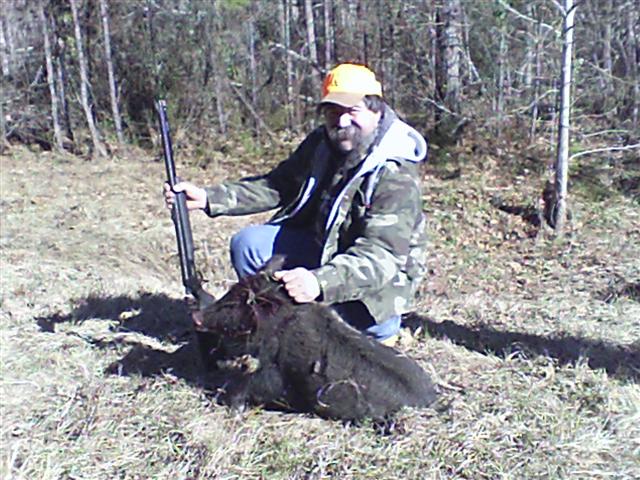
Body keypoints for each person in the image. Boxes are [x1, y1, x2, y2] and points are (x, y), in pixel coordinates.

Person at [164, 63, 428, 345]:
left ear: (377, 110)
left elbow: (381, 257)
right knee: (249, 245)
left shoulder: (395, 173)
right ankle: (277, 327)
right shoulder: (322, 143)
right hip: (323, 251)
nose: (341, 122)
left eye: (352, 111)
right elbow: (278, 184)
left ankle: (375, 332)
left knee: (353, 335)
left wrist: (318, 282)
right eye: (333, 112)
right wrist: (209, 198)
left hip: (374, 283)